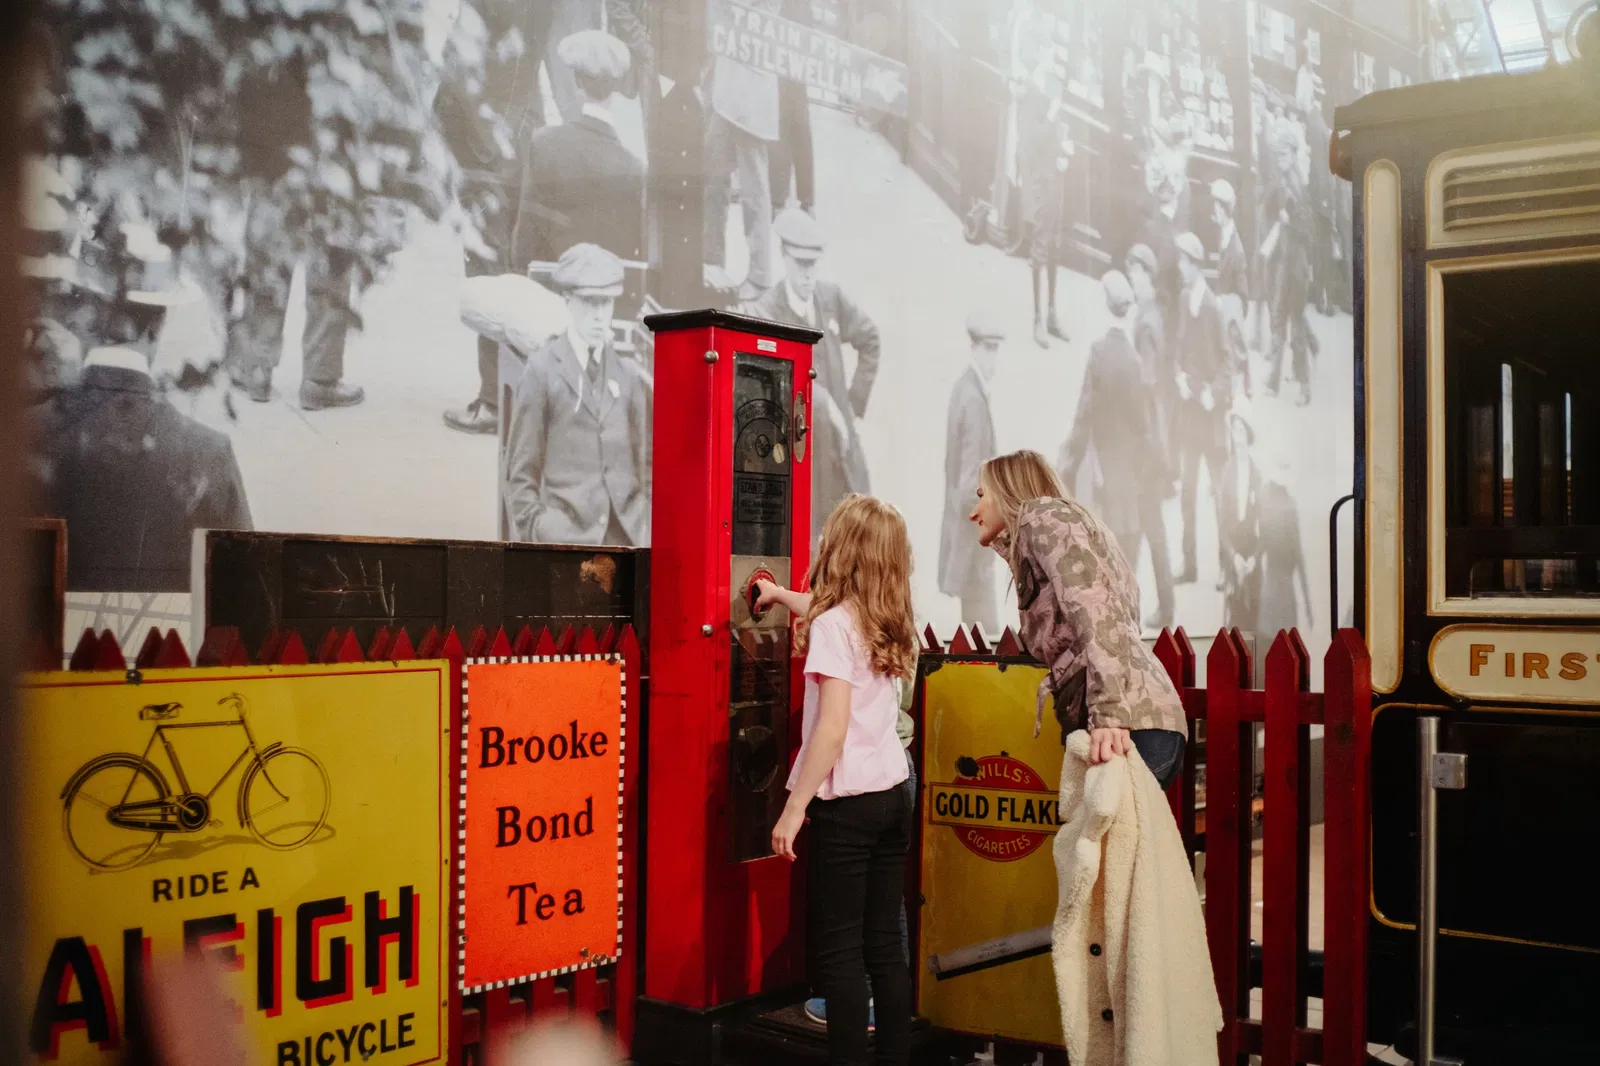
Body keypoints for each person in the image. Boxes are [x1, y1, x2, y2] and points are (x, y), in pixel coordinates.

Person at [753, 494, 917, 1066]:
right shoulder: (886, 615)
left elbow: (831, 729)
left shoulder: (833, 624)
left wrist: (793, 809)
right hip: (894, 793)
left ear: (839, 550)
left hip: (848, 802)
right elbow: (825, 614)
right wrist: (779, 596)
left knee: (842, 954)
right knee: (884, 949)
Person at [35, 224, 253, 592]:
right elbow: (244, 589)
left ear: (84, 322)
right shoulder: (209, 452)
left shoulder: (22, 436)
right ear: (158, 327)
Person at [447, 28, 644, 435]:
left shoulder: (546, 143)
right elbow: (631, 252)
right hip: (599, 306)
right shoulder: (633, 167)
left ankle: (493, 403)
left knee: (495, 279)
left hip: (548, 293)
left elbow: (525, 240)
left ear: (575, 81)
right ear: (617, 88)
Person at [967, 450, 1188, 786]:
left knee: (1107, 838)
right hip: (1135, 722)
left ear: (1007, 490)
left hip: (1127, 725)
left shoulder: (1043, 518)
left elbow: (1096, 612)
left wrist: (1109, 715)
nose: (974, 512)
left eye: (982, 496)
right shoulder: (1048, 529)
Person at [225, 50, 364, 411]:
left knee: (271, 251)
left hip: (275, 133)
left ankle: (257, 367)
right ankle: (319, 377)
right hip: (328, 134)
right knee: (329, 255)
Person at [502, 242, 649, 546]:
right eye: (589, 303)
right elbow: (521, 471)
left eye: (605, 303)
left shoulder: (628, 375)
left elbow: (647, 466)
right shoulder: (542, 371)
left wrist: (649, 528)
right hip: (568, 536)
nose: (598, 316)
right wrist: (538, 529)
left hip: (632, 536)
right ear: (568, 301)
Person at [749, 209, 881, 543]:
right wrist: (823, 404)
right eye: (800, 265)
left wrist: (852, 406)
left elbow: (870, 339)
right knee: (809, 548)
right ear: (784, 258)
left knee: (861, 542)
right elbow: (768, 384)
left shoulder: (830, 298)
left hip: (842, 455)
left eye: (813, 265)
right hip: (800, 460)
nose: (808, 275)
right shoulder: (766, 311)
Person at [1058, 271, 1157, 564]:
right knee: (1125, 559)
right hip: (1125, 479)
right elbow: (1142, 424)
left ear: (1106, 305)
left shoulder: (1099, 353)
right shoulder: (1135, 361)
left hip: (1100, 475)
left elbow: (1084, 414)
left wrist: (1069, 462)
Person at [702, 1, 782, 301]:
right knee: (712, 176)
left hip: (752, 86)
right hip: (723, 83)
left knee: (754, 188)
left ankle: (760, 276)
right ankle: (711, 259)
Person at [1173, 231, 1231, 589]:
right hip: (1190, 416)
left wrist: (1214, 394)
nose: (1179, 267)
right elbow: (1180, 348)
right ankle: (1190, 564)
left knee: (1220, 497)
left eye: (1183, 261)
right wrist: (1178, 373)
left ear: (1194, 264)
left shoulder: (1212, 307)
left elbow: (1227, 364)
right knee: (1187, 494)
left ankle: (1228, 569)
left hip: (1211, 418)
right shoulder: (1183, 299)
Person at [939, 312, 1003, 634]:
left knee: (974, 632)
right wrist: (989, 523)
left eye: (996, 350)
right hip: (975, 542)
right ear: (976, 349)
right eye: (989, 350)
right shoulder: (974, 399)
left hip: (967, 537)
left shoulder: (964, 387)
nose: (994, 359)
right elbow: (969, 481)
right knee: (986, 636)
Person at [1216, 403, 1262, 634]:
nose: (1237, 437)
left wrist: (1254, 557)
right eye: (1234, 431)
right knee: (1233, 619)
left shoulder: (1256, 474)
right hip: (1233, 553)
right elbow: (1221, 524)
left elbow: (1264, 523)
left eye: (1241, 430)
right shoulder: (1226, 473)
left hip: (1251, 552)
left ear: (1249, 434)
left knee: (1253, 617)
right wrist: (1233, 557)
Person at [1209, 178, 1250, 394]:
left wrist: (1224, 303)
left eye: (1216, 207)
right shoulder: (1224, 235)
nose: (1213, 211)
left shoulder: (1235, 248)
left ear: (1225, 209)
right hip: (1227, 303)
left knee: (1234, 358)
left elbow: (1238, 291)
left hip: (1232, 307)